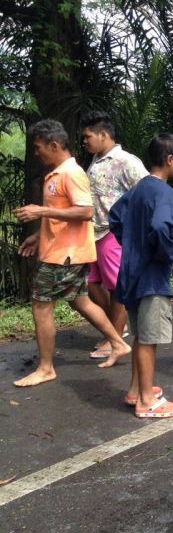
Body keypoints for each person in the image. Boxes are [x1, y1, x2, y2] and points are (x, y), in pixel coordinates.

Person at [12, 119, 131, 387]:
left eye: (38, 147)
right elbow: (63, 216)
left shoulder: (71, 173)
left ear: (54, 145)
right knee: (80, 300)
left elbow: (85, 211)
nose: (36, 153)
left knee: (42, 307)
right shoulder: (58, 173)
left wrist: (40, 211)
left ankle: (45, 368)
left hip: (63, 256)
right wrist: (38, 234)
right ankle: (118, 343)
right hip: (64, 252)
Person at [109, 133, 173, 418]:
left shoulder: (140, 187)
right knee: (149, 338)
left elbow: (115, 216)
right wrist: (166, 254)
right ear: (170, 159)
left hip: (130, 272)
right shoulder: (164, 192)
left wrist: (132, 242)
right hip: (152, 276)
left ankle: (135, 389)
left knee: (141, 335)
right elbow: (161, 226)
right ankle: (146, 401)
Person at [80, 110, 148, 365]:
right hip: (93, 233)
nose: (85, 141)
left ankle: (115, 339)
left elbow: (145, 192)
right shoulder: (96, 160)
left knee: (117, 288)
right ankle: (116, 330)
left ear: (103, 134)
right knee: (90, 284)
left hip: (114, 233)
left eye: (88, 136)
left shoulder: (126, 161)